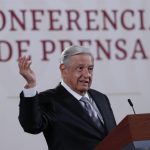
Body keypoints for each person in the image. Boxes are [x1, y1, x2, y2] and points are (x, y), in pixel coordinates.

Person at [18, 45, 116, 150]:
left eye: (90, 69)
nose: (87, 74)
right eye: (80, 68)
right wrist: (31, 85)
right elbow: (32, 126)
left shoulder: (101, 98)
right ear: (63, 69)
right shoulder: (49, 99)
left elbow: (114, 136)